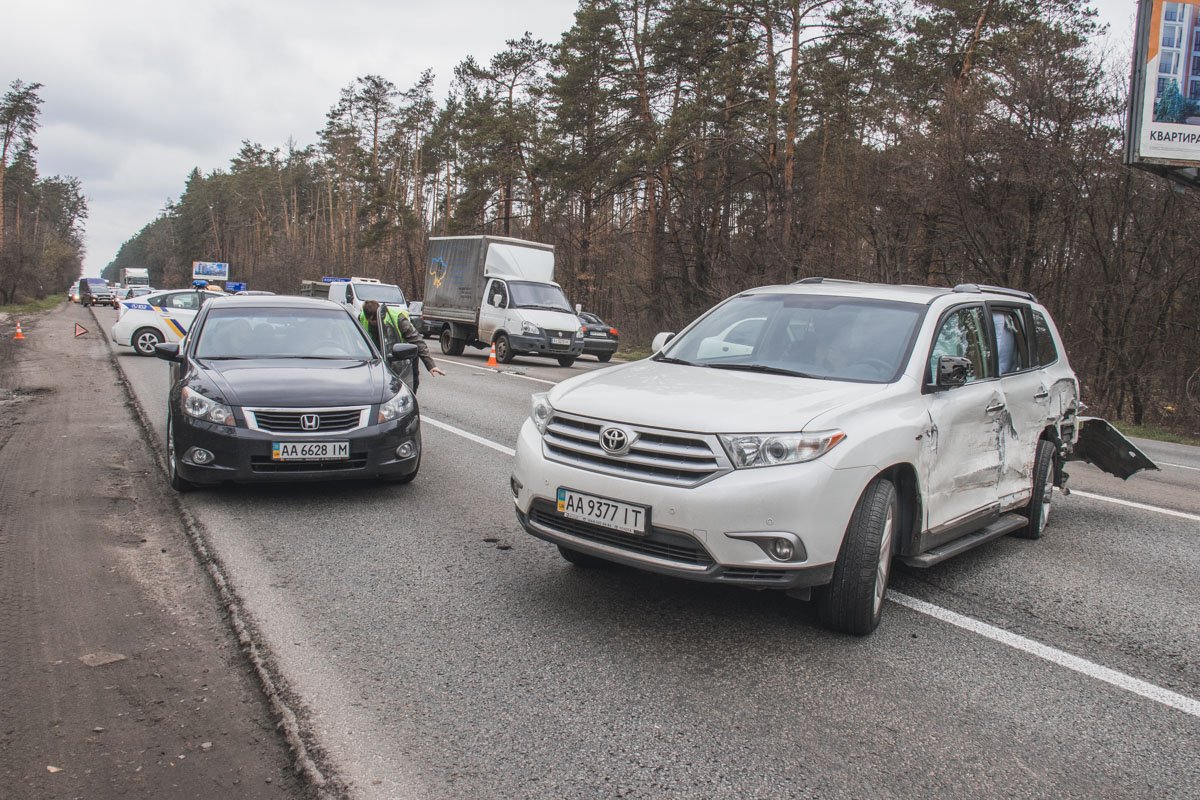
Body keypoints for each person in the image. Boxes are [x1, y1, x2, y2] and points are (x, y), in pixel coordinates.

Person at [358, 300, 446, 388]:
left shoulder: (398, 319)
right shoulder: (361, 318)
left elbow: (417, 341)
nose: (376, 322)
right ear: (366, 318)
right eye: (373, 321)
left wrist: (431, 365)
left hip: (402, 354)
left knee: (411, 384)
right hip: (377, 357)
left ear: (381, 315)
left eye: (378, 319)